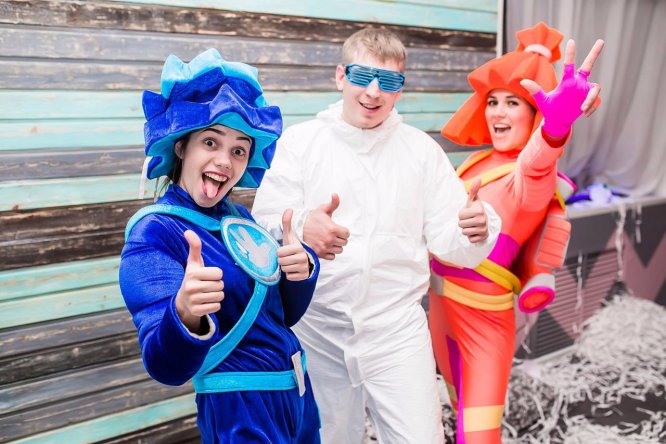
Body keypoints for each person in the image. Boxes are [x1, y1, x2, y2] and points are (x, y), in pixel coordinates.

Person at [252, 28, 501, 443]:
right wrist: (302, 224)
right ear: (340, 76)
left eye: (387, 81)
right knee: (327, 438)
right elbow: (264, 219)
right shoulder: (301, 142)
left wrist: (476, 228)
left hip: (396, 331)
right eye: (362, 76)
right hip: (317, 329)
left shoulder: (421, 152)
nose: (373, 91)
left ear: (400, 89)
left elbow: (451, 237)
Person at [118, 48, 322, 443]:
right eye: (211, 142)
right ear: (182, 146)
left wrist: (301, 269)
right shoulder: (154, 232)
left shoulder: (239, 219)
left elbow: (281, 316)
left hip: (296, 394)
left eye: (239, 150)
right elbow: (165, 367)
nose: (225, 161)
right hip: (240, 411)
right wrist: (184, 313)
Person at [428, 22, 604, 443]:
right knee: (455, 411)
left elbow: (538, 162)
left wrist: (555, 128)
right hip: (440, 310)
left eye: (513, 103)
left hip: (484, 320)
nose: (498, 113)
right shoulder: (476, 162)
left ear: (535, 113)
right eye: (493, 101)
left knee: (478, 432)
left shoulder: (529, 176)